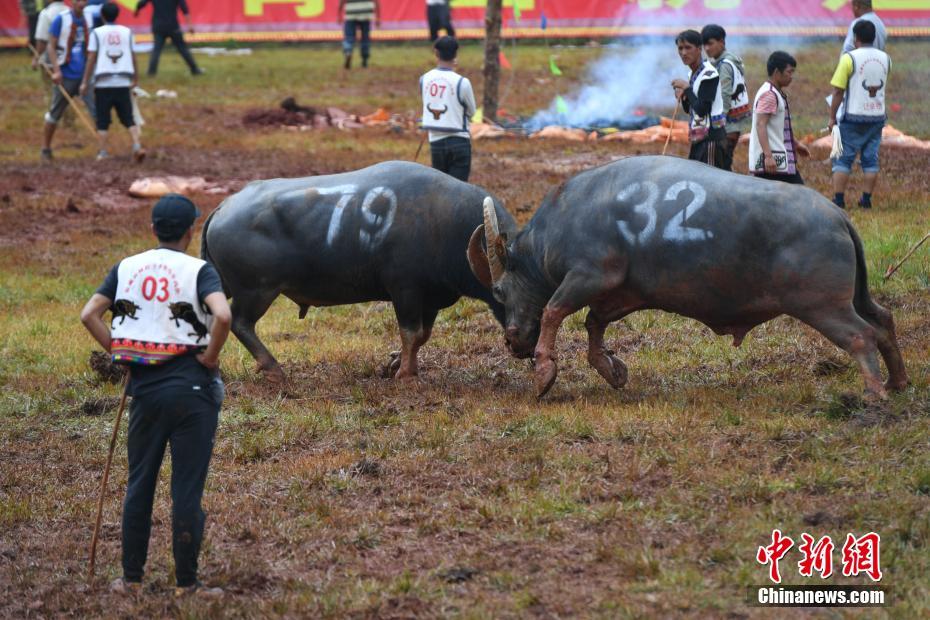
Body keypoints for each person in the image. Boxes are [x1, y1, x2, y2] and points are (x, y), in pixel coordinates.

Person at [80, 194, 231, 597]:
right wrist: (211, 357)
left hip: (144, 391)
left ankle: (131, 579)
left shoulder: (126, 267)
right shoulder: (200, 270)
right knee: (186, 489)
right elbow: (223, 315)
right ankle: (187, 584)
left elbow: (88, 313)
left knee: (139, 483)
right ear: (191, 230)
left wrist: (120, 354)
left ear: (152, 230)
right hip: (192, 391)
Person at [829, 20, 890, 209]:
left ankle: (839, 200)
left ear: (856, 37)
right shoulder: (886, 58)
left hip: (853, 116)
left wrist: (832, 117)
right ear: (874, 37)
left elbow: (838, 91)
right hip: (877, 117)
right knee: (870, 159)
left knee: (844, 158)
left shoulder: (849, 58)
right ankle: (866, 200)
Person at [80, 2, 145, 162]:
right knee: (128, 117)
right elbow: (133, 56)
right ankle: (137, 145)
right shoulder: (127, 32)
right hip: (123, 80)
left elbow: (91, 58)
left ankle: (102, 151)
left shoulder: (96, 33)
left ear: (102, 15)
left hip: (103, 82)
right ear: (118, 15)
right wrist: (135, 79)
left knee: (102, 119)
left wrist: (85, 81)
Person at [42, 0, 96, 162]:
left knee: (97, 113)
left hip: (85, 75)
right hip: (65, 74)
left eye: (84, 1)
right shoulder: (61, 19)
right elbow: (50, 46)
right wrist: (56, 70)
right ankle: (46, 148)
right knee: (54, 114)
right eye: (79, 1)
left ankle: (103, 149)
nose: (82, 4)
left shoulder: (90, 18)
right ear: (72, 2)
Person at [671, 29, 730, 171]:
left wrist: (686, 88)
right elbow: (690, 109)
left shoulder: (709, 74)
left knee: (710, 183)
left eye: (688, 48)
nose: (684, 53)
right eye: (680, 48)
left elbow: (703, 109)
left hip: (711, 140)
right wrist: (684, 96)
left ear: (699, 49)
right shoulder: (692, 72)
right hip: (699, 139)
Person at [420, 36, 476, 182]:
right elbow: (472, 112)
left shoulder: (424, 79)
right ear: (456, 55)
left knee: (441, 190)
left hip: (435, 142)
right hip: (459, 141)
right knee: (459, 189)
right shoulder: (463, 82)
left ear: (436, 53)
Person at [748, 51, 810, 184]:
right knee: (797, 194)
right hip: (773, 163)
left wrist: (796, 144)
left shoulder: (774, 92)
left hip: (776, 162)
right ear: (777, 72)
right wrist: (768, 157)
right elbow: (761, 125)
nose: (791, 76)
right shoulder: (770, 95)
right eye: (789, 72)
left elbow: (778, 128)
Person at [701, 24, 750, 161]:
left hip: (726, 127)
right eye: (704, 45)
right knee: (724, 163)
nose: (707, 48)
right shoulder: (731, 61)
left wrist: (717, 126)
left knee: (719, 167)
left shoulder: (724, 65)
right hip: (734, 125)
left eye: (710, 44)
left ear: (722, 42)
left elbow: (725, 95)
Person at [135, 0, 202, 76]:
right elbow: (184, 8)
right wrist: (190, 25)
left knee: (156, 50)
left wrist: (137, 11)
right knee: (182, 48)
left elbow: (141, 3)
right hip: (172, 26)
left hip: (158, 26)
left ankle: (151, 72)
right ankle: (194, 69)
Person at [339, 0, 379, 69]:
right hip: (366, 12)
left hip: (351, 12)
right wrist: (378, 17)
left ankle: (348, 51)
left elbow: (342, 1)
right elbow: (376, 2)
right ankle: (364, 59)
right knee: (365, 38)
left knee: (349, 37)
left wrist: (339, 14)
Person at [32, 0, 67, 70]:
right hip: (69, 59)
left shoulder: (46, 13)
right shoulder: (69, 11)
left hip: (51, 61)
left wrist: (36, 58)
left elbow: (42, 41)